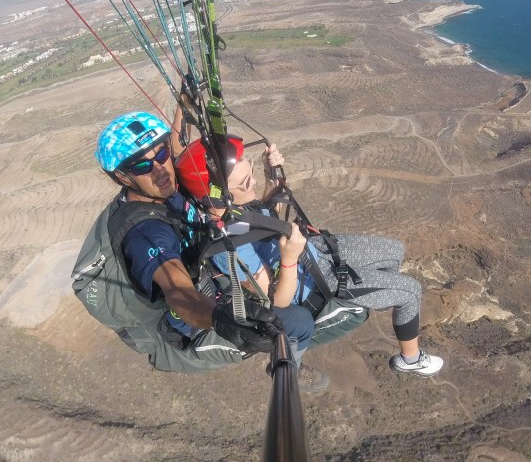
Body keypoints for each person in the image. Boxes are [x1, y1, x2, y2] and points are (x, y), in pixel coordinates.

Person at [73, 111, 325, 388]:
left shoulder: (165, 187)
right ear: (122, 177)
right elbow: (179, 292)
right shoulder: (145, 232)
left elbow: (181, 146)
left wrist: (183, 103)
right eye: (142, 166)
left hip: (213, 281)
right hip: (191, 330)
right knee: (297, 321)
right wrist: (220, 320)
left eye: (161, 154)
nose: (161, 170)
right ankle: (291, 375)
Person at [176, 136, 444, 376]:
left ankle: (380, 294)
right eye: (245, 182)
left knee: (394, 252)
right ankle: (409, 359)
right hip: (314, 285)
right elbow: (277, 302)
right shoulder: (230, 249)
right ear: (217, 197)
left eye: (252, 174)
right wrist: (289, 258)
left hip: (314, 254)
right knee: (410, 291)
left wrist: (273, 174)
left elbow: (268, 211)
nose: (253, 182)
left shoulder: (236, 210)